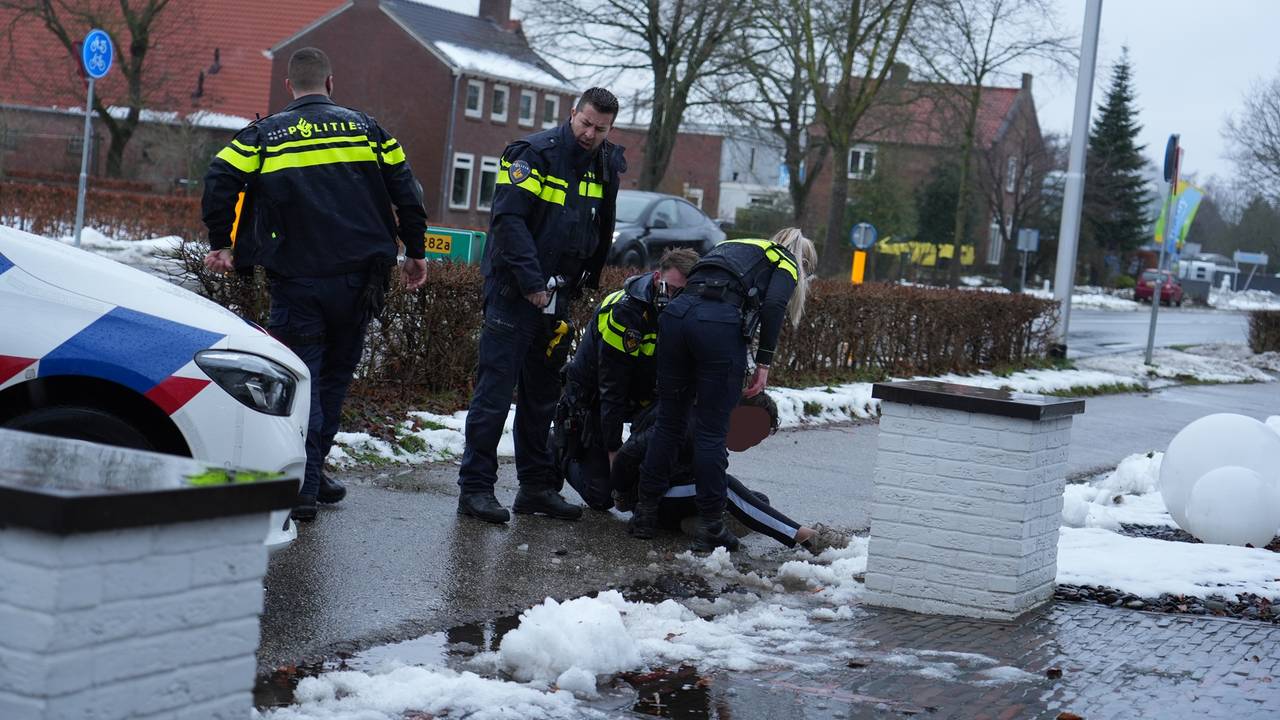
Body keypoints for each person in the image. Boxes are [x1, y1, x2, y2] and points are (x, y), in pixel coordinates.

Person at [201, 47, 428, 522]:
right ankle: (314, 474)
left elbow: (220, 174)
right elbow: (407, 187)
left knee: (303, 380)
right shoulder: (368, 129)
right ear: (330, 83)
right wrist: (416, 251)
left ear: (289, 87)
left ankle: (303, 487)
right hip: (361, 283)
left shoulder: (267, 134)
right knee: (335, 380)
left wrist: (222, 241)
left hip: (299, 281)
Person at [457, 87, 626, 524]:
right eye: (585, 123)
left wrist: (585, 278)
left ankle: (536, 487)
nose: (590, 134)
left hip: (558, 296)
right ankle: (475, 489)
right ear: (573, 114)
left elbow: (600, 223)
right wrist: (531, 282)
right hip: (515, 294)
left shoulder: (605, 164)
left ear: (610, 129)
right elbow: (509, 223)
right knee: (494, 394)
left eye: (600, 129)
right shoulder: (533, 154)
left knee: (542, 397)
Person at [628, 228, 817, 551]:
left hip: (676, 319)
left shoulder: (732, 246)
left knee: (670, 423)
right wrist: (764, 363)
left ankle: (645, 514)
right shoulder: (783, 259)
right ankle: (712, 526)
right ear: (802, 261)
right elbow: (773, 306)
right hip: (717, 326)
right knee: (711, 432)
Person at [612, 393, 847, 555]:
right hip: (651, 500)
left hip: (677, 491)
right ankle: (802, 535)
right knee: (724, 487)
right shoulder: (689, 421)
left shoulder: (713, 426)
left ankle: (697, 523)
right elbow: (627, 455)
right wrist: (623, 496)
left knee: (758, 500)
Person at [555, 248, 700, 510]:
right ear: (657, 278)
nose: (676, 298)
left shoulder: (687, 310)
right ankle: (558, 450)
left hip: (644, 396)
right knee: (602, 496)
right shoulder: (626, 312)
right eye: (672, 290)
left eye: (684, 292)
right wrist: (614, 452)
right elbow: (612, 387)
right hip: (595, 399)